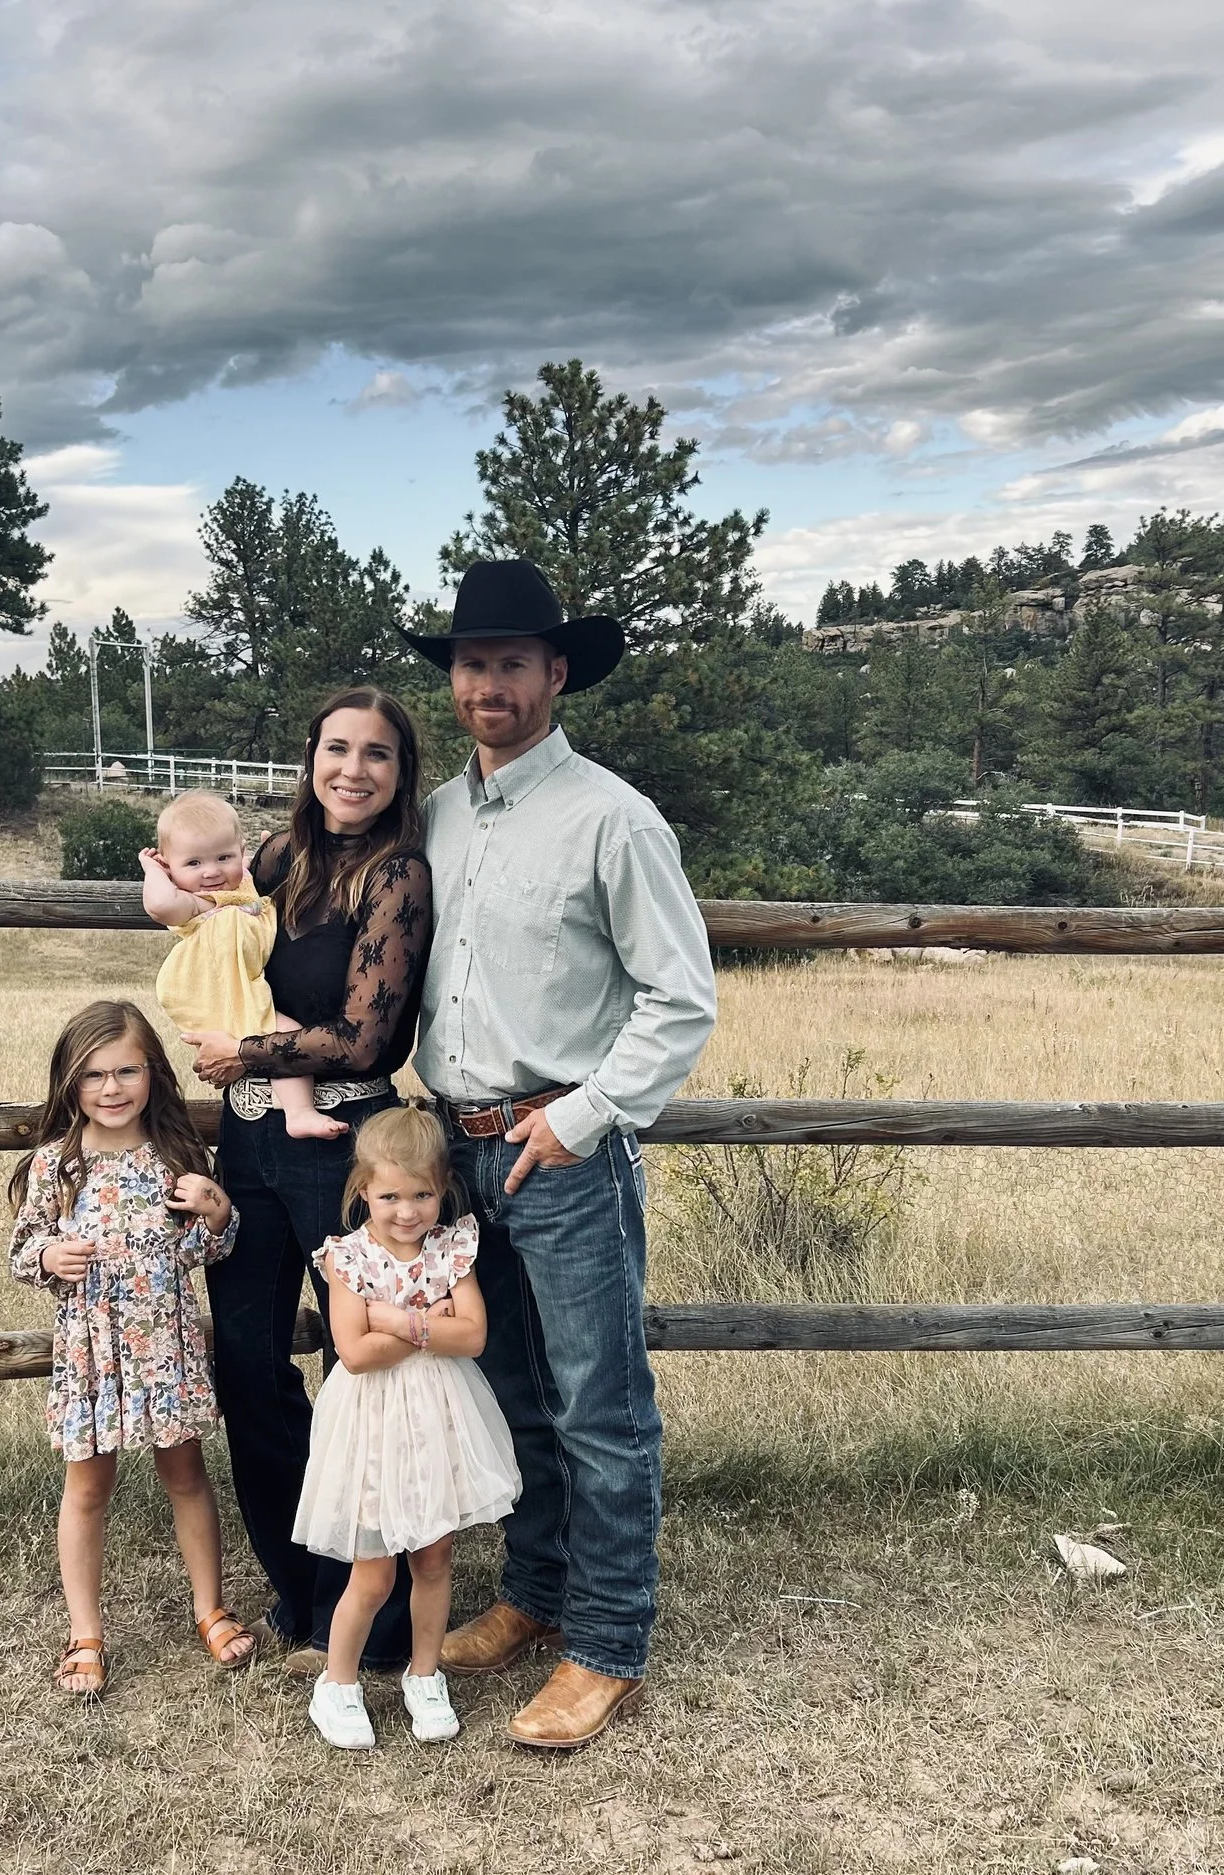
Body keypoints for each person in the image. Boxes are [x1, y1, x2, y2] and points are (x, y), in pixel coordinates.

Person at [402, 558, 718, 1750]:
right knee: (511, 1393)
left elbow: (679, 1000)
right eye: (471, 664)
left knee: (599, 1407)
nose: (489, 683)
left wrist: (577, 1117)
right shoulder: (432, 814)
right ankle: (534, 1595)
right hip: (456, 1150)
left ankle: (606, 1642)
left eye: (512, 664)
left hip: (563, 1151)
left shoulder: (612, 818)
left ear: (556, 673)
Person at [179, 687, 433, 1674]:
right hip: (247, 1143)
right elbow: (198, 923)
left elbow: (367, 1033)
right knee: (246, 1366)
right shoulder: (277, 860)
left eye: (377, 754)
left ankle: (357, 1615)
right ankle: (298, 1583)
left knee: (357, 1369)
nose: (353, 769)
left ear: (400, 772)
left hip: (348, 1143)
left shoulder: (397, 875)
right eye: (337, 748)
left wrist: (245, 1048)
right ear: (310, 757)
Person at [6, 998, 253, 1698]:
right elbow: (22, 1251)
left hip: (163, 1347)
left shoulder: (175, 1157)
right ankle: (86, 1631)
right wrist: (50, 1253)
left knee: (186, 1474)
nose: (111, 1089)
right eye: (93, 1075)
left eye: (126, 1071)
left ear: (153, 1074)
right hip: (93, 1355)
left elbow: (205, 1249)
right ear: (69, 1083)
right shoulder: (59, 1164)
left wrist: (219, 1214)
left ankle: (210, 1606)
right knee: (88, 1487)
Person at [294, 1107, 520, 1749]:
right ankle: (338, 1684)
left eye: (422, 1194)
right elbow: (356, 1353)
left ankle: (424, 1676)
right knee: (374, 1571)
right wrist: (421, 1324)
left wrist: (391, 1321)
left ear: (442, 1188)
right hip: (371, 1423)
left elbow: (472, 1336)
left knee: (434, 1555)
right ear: (362, 1188)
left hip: (438, 1416)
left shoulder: (452, 1249)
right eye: (389, 1195)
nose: (406, 1210)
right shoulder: (348, 1259)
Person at [141, 790, 343, 1141]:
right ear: (171, 868)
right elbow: (159, 905)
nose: (211, 872)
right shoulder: (194, 903)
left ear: (241, 851)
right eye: (193, 863)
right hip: (222, 996)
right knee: (287, 1036)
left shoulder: (242, 887)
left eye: (223, 856)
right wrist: (152, 870)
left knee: (280, 1036)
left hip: (245, 989)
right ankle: (299, 1113)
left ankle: (290, 1108)